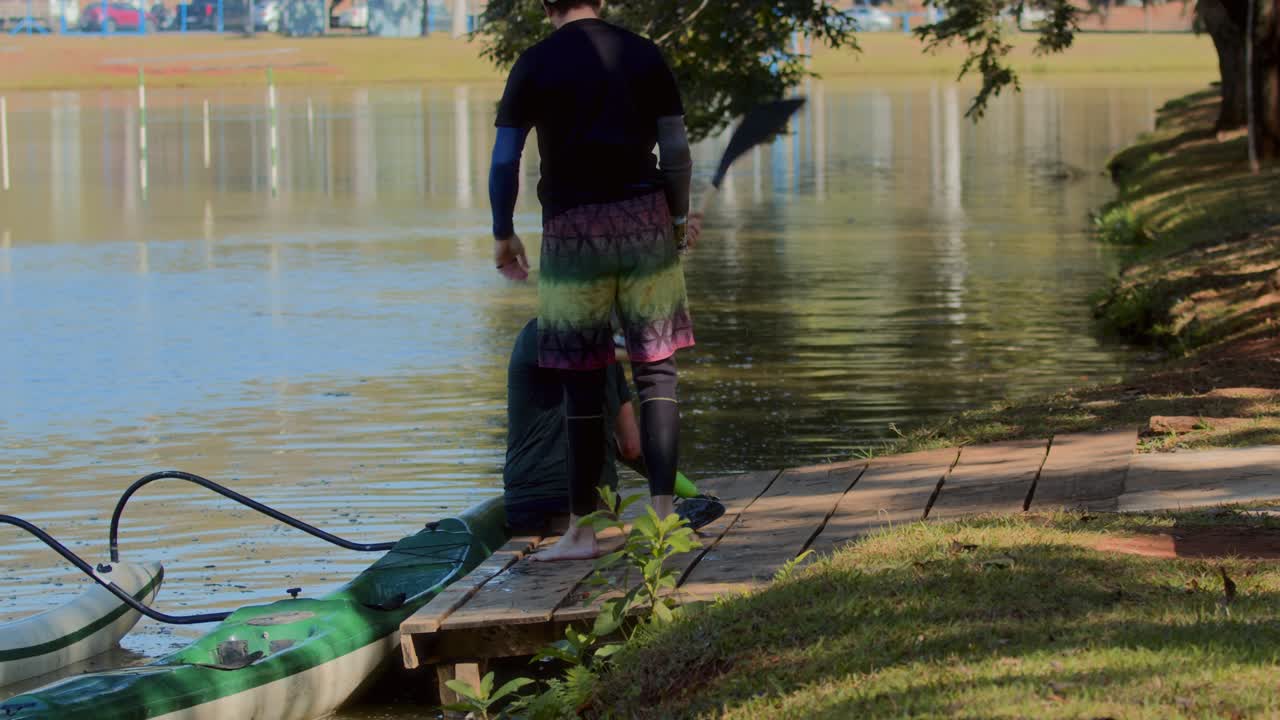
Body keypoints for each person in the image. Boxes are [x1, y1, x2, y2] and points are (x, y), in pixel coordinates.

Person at [489, 0, 701, 560]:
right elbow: (676, 151)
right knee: (657, 374)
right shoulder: (643, 54)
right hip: (644, 224)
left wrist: (502, 231)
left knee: (582, 381)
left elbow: (505, 161)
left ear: (544, 5)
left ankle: (581, 533)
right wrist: (677, 219)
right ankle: (663, 523)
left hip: (570, 231)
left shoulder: (533, 63)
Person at [503, 318, 641, 535]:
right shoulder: (608, 355)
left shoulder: (534, 333)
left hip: (527, 503)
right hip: (591, 506)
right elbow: (631, 446)